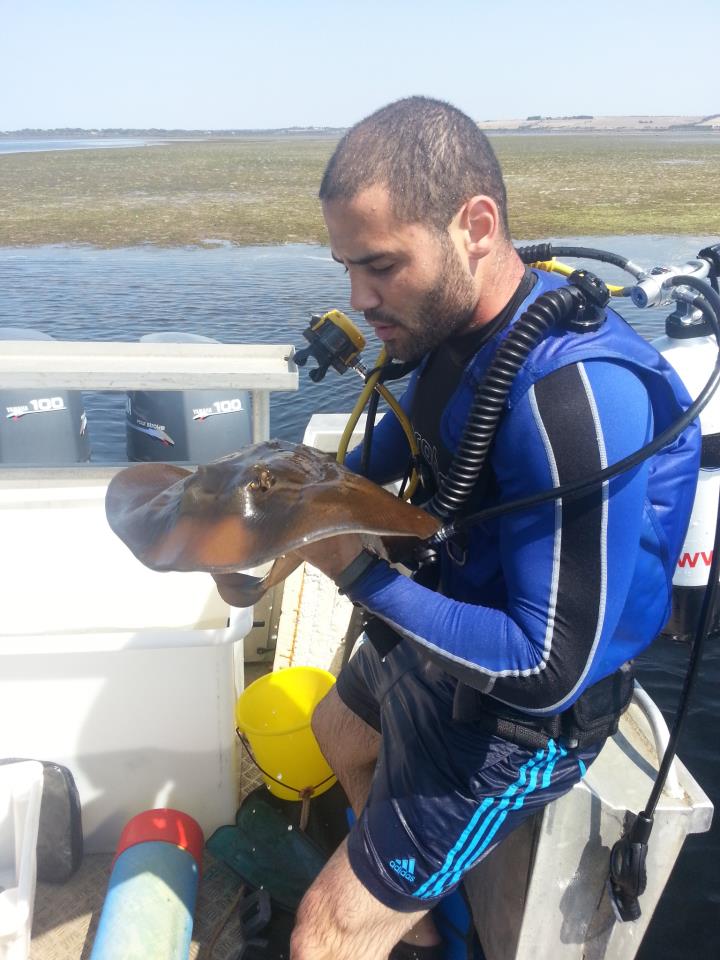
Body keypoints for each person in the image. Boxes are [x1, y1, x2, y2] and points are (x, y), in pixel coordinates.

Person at [289, 97, 700, 960]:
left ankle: (385, 908)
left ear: (475, 225)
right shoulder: (445, 324)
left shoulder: (572, 398)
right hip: (453, 626)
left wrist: (353, 572)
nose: (358, 299)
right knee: (336, 733)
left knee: (322, 936)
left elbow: (545, 668)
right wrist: (294, 489)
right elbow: (402, 442)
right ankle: (428, 927)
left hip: (526, 721)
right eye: (346, 268)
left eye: (380, 266)